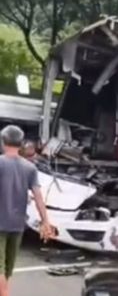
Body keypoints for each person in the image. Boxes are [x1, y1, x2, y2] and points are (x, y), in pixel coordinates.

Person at [0, 126, 54, 296]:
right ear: (21, 144)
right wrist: (46, 222)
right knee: (8, 268)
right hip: (17, 224)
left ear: (3, 141)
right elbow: (38, 197)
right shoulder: (30, 168)